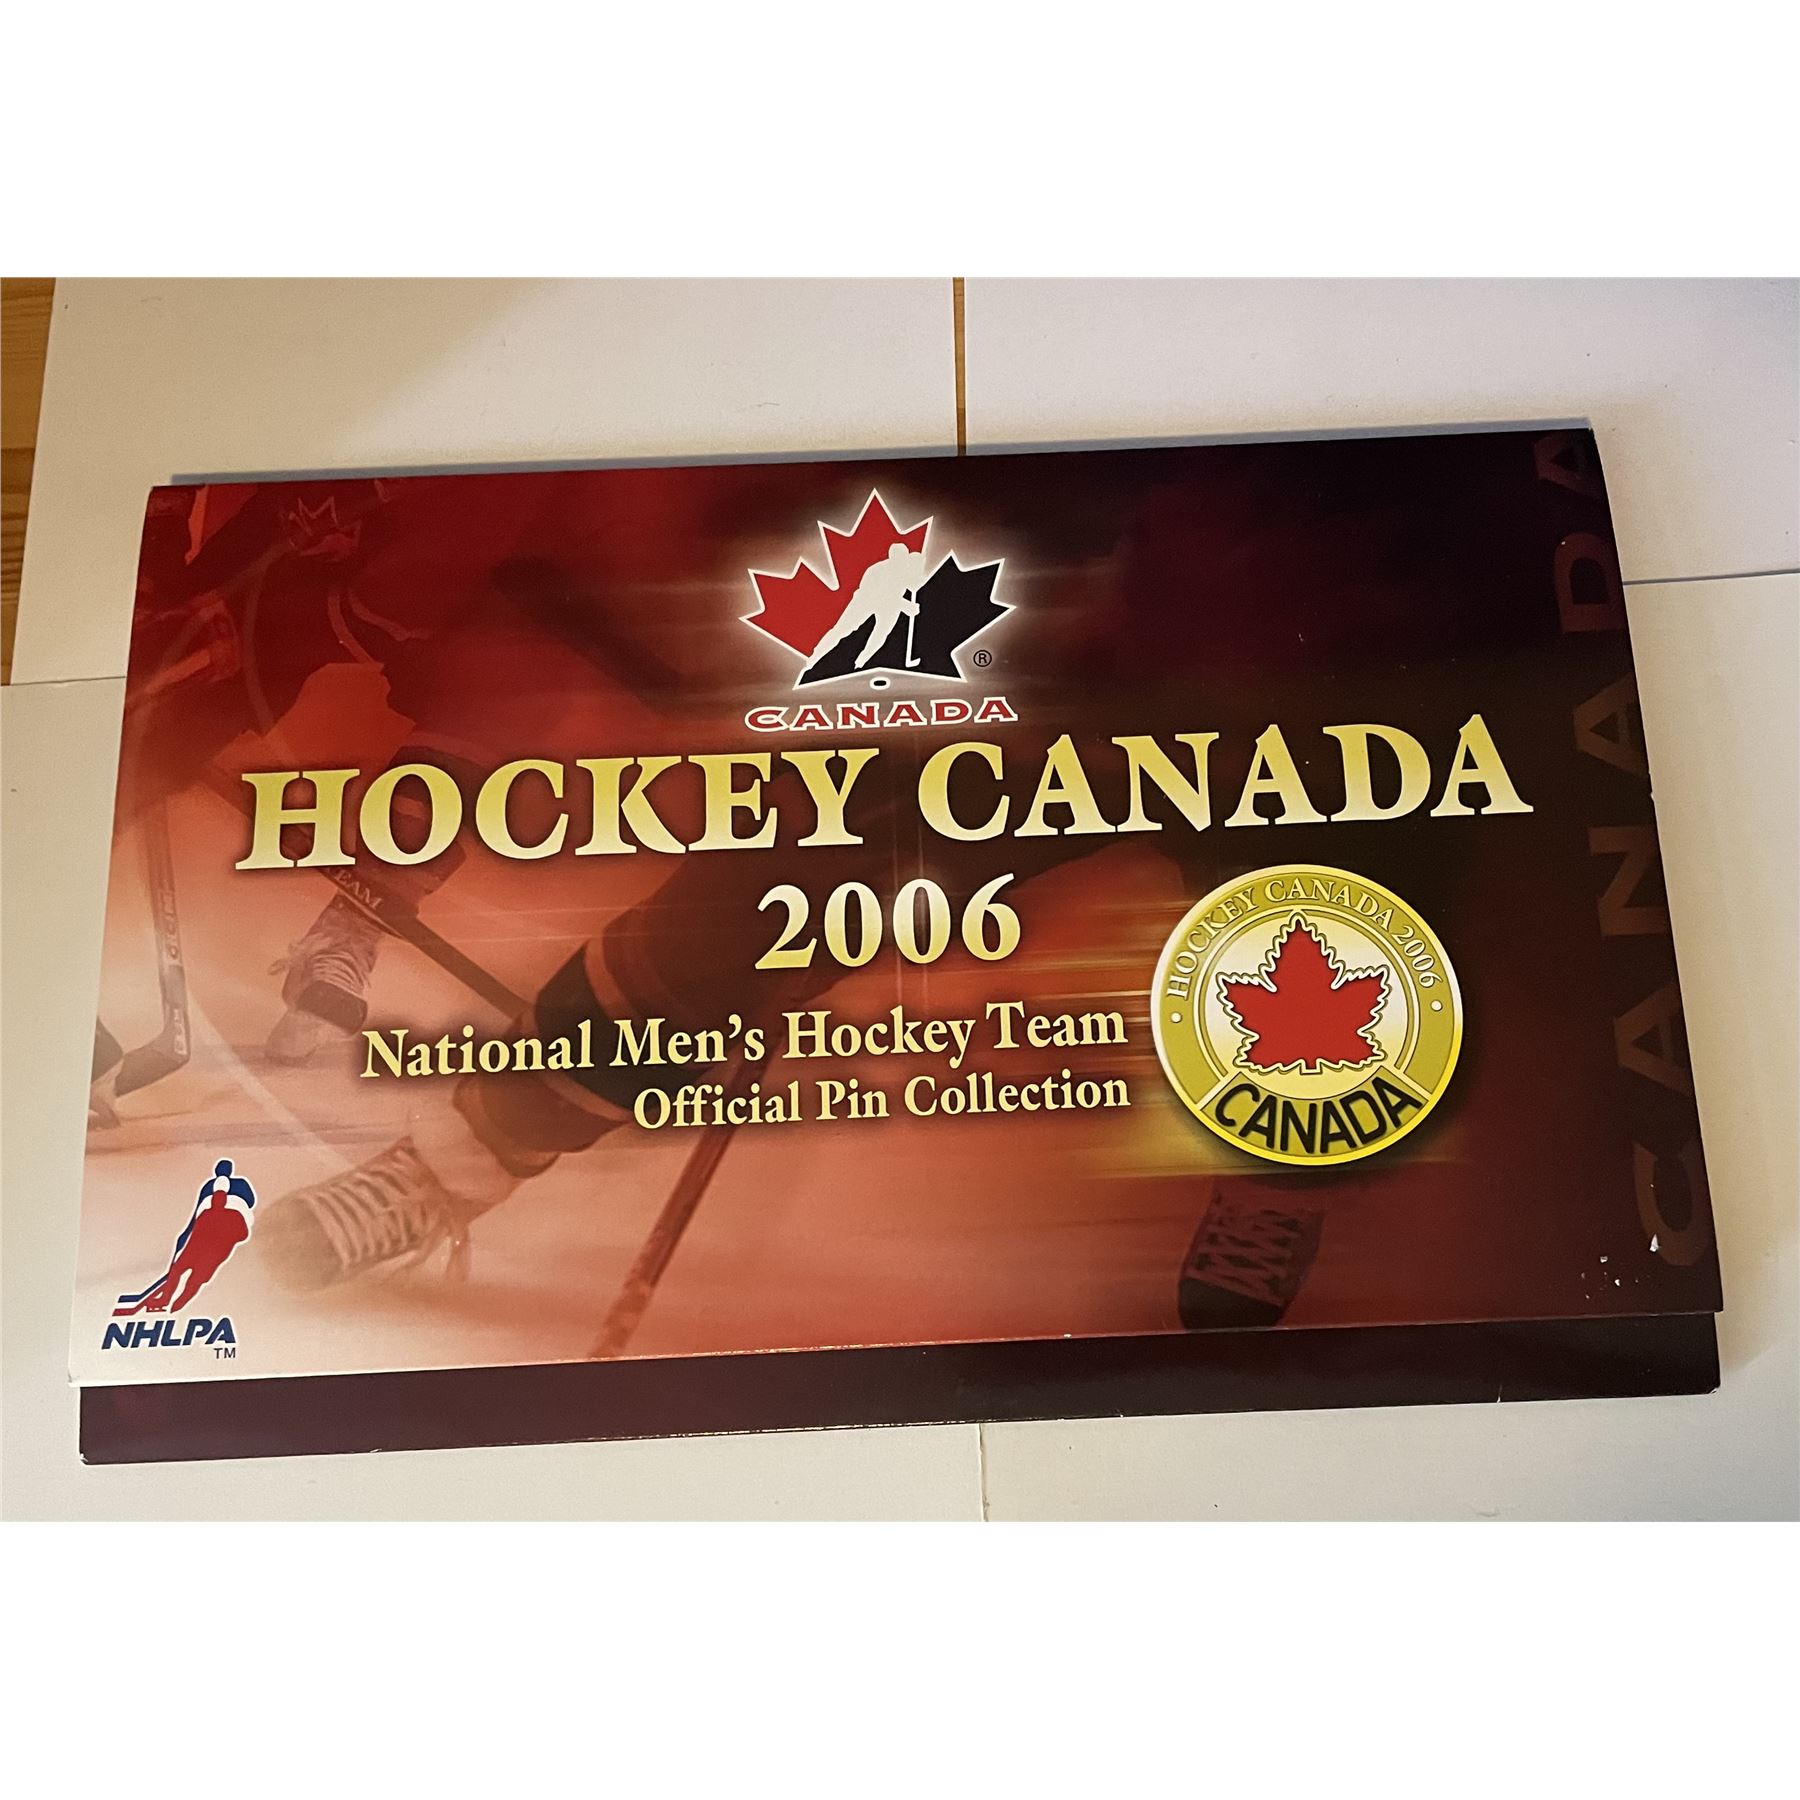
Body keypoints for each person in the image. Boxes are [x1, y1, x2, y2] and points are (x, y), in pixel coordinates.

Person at [114, 1159, 257, 1316]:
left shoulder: (218, 1186)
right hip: (214, 1226)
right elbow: (250, 1201)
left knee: (187, 1269)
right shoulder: (226, 1185)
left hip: (215, 1225)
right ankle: (172, 1302)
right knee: (192, 1271)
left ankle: (170, 1301)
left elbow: (248, 1202)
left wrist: (184, 1238)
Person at [805, 540, 926, 671]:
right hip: (864, 602)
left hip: (890, 607)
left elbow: (915, 586)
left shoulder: (904, 572)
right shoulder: (877, 570)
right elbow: (876, 594)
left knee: (880, 634)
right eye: (898, 558)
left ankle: (860, 663)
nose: (900, 562)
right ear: (891, 556)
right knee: (840, 630)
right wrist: (904, 604)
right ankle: (814, 658)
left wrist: (918, 567)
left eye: (903, 559)